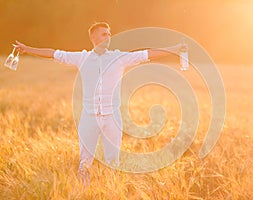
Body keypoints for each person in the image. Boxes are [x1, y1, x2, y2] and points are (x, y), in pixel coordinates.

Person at [14, 22, 187, 185]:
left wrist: (174, 50)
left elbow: (146, 53)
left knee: (113, 161)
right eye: (104, 34)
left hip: (113, 118)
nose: (109, 37)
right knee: (84, 162)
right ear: (94, 38)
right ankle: (83, 190)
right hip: (89, 118)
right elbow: (53, 53)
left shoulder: (119, 58)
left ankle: (112, 191)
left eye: (110, 34)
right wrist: (27, 49)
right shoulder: (81, 58)